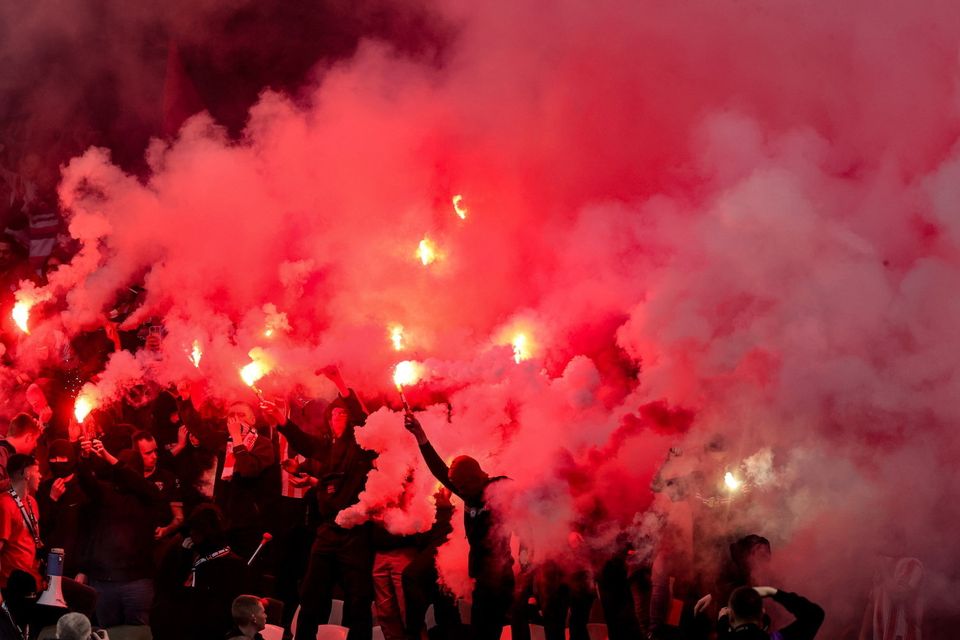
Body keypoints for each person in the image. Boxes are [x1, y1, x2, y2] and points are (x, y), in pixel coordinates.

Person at [262, 366, 376, 640]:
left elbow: (363, 419)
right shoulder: (328, 446)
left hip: (355, 534)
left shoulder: (361, 446)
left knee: (358, 600)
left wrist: (338, 380)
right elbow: (305, 443)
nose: (338, 417)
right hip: (327, 532)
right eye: (334, 413)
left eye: (343, 413)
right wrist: (281, 421)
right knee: (311, 595)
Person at [402, 413, 514, 640]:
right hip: (481, 580)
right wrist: (421, 436)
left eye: (462, 487)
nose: (458, 492)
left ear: (475, 479)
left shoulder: (499, 489)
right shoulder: (469, 494)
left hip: (500, 580)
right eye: (457, 487)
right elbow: (439, 471)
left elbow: (528, 497)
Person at [718, 586, 824, 640]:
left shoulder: (724, 634)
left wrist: (722, 623)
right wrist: (772, 592)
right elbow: (815, 614)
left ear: (730, 616)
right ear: (762, 613)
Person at [0, 414, 40, 490]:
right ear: (29, 437)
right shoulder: (2, 452)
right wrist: (22, 479)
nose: (35, 445)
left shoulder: (8, 453)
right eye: (35, 440)